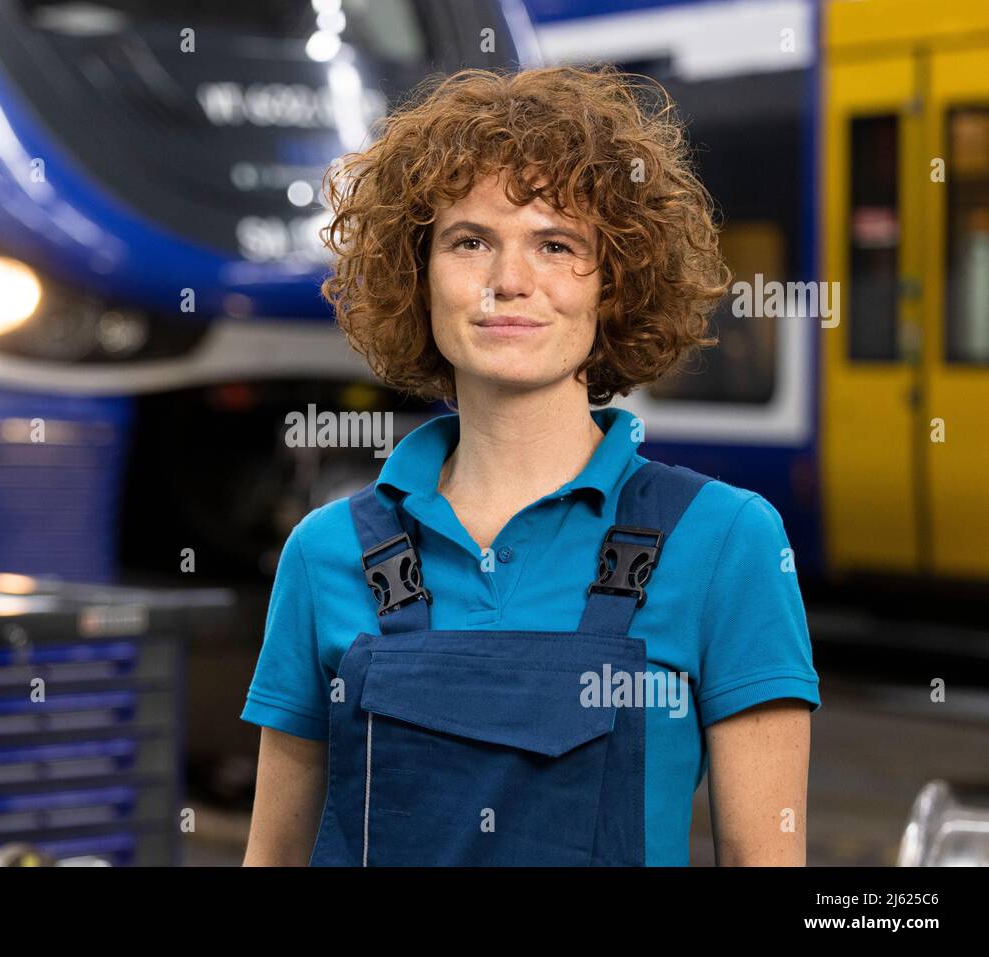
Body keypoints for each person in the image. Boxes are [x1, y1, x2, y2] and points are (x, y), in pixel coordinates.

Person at [240, 65, 819, 866]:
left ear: (613, 284)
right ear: (420, 276)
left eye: (556, 244)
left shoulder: (728, 541)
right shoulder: (325, 550)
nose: (510, 281)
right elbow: (272, 856)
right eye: (469, 241)